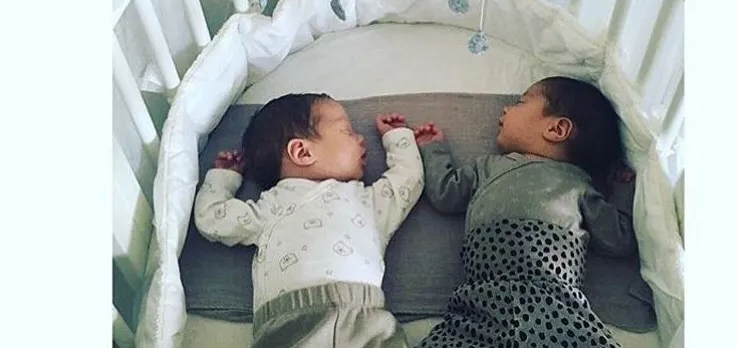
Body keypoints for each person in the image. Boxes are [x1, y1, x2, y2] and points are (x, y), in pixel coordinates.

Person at [412, 76, 636, 348]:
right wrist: (432, 149)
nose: (505, 109)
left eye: (519, 103)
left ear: (556, 129)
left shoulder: (578, 185)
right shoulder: (488, 167)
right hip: (484, 302)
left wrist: (622, 186)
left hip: (553, 304)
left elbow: (619, 238)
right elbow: (446, 193)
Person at [194, 92, 424, 348]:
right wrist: (223, 178)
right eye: (347, 132)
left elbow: (408, 181)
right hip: (288, 327)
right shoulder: (272, 205)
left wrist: (398, 138)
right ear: (302, 152)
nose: (361, 139)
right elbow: (212, 218)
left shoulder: (367, 201)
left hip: (363, 318)